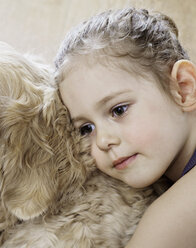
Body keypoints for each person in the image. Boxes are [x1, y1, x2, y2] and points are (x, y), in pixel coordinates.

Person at [54, 8, 196, 248]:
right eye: (86, 128)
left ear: (183, 88)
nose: (102, 141)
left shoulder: (180, 209)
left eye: (118, 110)